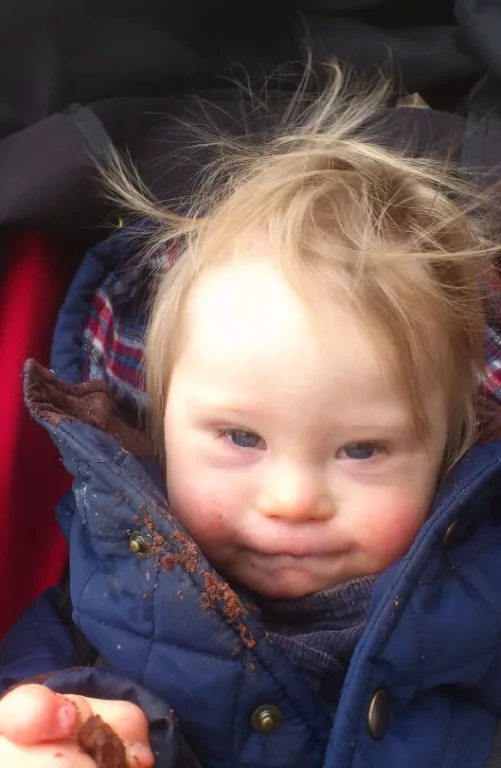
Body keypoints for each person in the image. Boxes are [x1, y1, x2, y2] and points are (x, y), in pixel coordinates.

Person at [2, 65, 501, 768]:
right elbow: (31, 707)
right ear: (159, 426)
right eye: (241, 436)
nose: (291, 500)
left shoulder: (482, 593)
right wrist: (57, 738)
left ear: (446, 449)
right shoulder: (96, 603)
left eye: (361, 449)